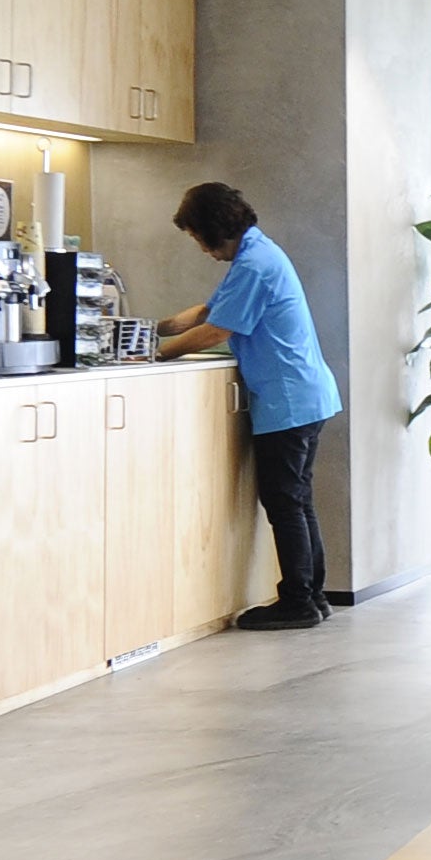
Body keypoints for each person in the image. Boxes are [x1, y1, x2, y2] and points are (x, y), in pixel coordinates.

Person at [155, 182, 343, 631]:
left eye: (198, 237)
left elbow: (219, 329)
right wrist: (160, 327)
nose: (200, 248)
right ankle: (313, 595)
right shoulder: (257, 255)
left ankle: (298, 600)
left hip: (289, 398)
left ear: (213, 230)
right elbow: (208, 311)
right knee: (296, 499)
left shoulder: (255, 265)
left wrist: (160, 352)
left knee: (283, 501)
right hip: (302, 394)